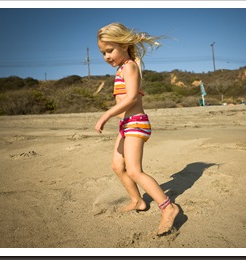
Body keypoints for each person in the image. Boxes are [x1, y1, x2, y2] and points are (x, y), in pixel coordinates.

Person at [94, 22, 179, 236]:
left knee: (133, 170)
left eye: (110, 50)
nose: (106, 56)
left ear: (124, 45)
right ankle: (138, 201)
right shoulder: (122, 68)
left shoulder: (130, 66)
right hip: (126, 126)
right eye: (103, 53)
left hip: (136, 123)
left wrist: (107, 114)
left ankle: (168, 207)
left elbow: (131, 98)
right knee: (117, 166)